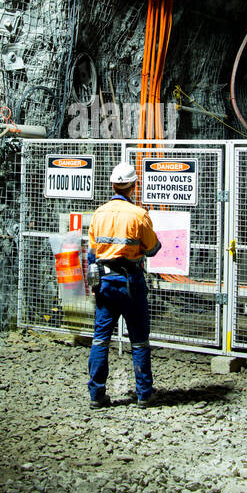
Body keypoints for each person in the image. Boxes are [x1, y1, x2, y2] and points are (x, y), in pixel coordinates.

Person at [85, 161, 162, 409]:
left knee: (100, 340)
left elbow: (92, 253)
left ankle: (97, 395)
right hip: (131, 282)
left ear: (113, 185)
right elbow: (152, 249)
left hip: (105, 283)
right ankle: (144, 394)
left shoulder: (99, 213)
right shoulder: (139, 215)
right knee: (139, 340)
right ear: (133, 186)